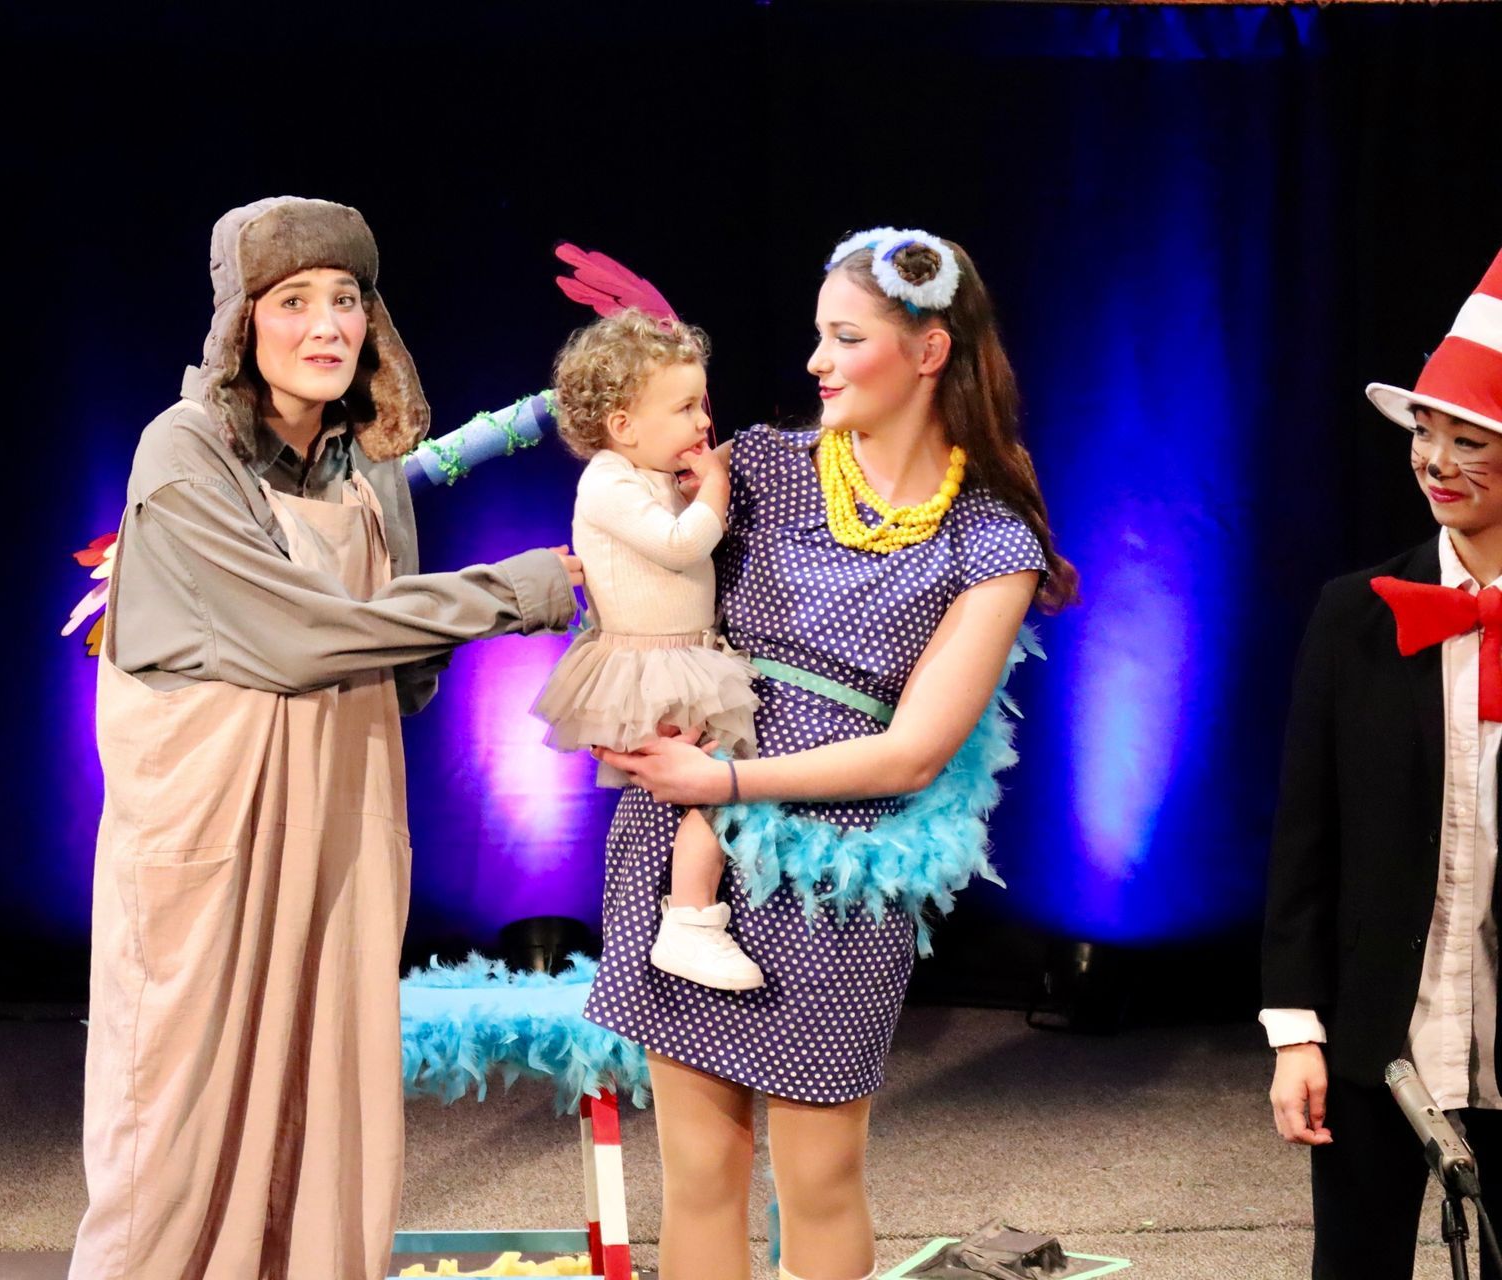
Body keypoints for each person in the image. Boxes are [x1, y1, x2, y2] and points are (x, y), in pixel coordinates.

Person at [69, 196, 580, 1280]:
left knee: (322, 1113)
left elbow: (391, 668)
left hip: (338, 823)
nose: (325, 326)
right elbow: (303, 636)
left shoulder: (368, 470)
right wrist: (512, 591)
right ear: (241, 323)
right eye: (292, 301)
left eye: (345, 299)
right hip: (211, 839)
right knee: (177, 1120)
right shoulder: (183, 449)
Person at [585, 227, 1075, 1280]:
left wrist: (723, 780)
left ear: (928, 351)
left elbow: (911, 752)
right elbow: (625, 553)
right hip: (692, 863)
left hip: (835, 878)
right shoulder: (754, 468)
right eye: (817, 335)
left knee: (817, 1178)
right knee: (699, 1170)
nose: (815, 360)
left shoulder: (987, 540)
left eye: (844, 337)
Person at [1263, 246, 1502, 1279]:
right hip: (1377, 1040)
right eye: (1425, 433)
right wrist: (1294, 1031)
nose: (1435, 460)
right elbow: (1305, 839)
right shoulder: (1356, 614)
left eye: (1471, 438)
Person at [531, 308, 764, 990]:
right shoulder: (607, 481)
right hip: (646, 665)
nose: (702, 423)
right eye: (686, 408)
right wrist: (713, 491)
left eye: (703, 404)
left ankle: (682, 919)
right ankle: (690, 920)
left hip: (687, 654)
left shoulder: (651, 474)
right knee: (712, 782)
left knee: (711, 785)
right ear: (624, 425)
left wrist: (700, 481)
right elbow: (680, 545)